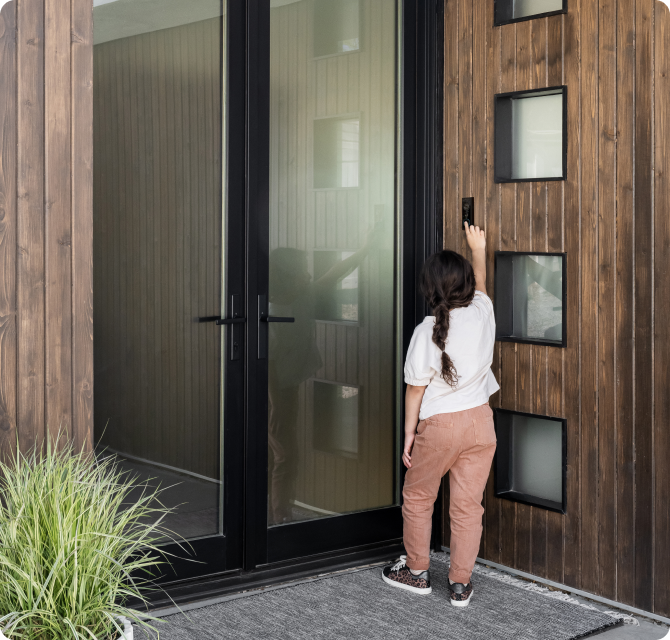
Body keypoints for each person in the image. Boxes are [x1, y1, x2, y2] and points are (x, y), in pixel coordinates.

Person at [381, 222, 499, 607]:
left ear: (429, 288)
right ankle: (460, 585)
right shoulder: (483, 313)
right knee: (468, 506)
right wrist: (477, 248)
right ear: (465, 284)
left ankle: (416, 573)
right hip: (481, 423)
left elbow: (415, 389)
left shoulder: (427, 330)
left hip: (441, 425)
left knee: (418, 497)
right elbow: (481, 285)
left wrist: (408, 436)